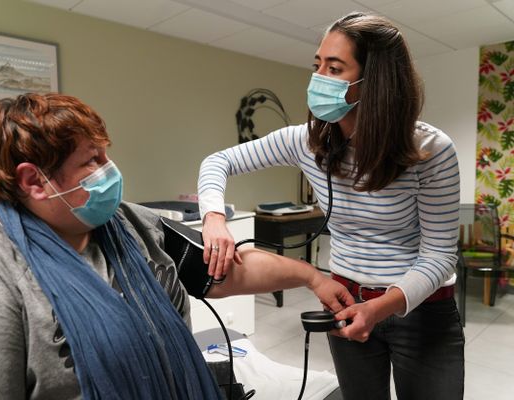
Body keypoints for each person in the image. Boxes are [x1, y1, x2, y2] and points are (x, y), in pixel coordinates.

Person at [0, 93, 353, 400]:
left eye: (105, 154)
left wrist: (311, 275)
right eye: (92, 160)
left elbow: (225, 270)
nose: (110, 170)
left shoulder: (130, 224)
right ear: (34, 181)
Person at [198, 12, 464, 400]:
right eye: (317, 64)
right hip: (346, 300)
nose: (318, 77)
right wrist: (214, 217)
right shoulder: (304, 141)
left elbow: (440, 255)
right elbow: (217, 162)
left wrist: (380, 308)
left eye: (334, 67)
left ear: (374, 82)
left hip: (421, 310)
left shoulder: (430, 150)